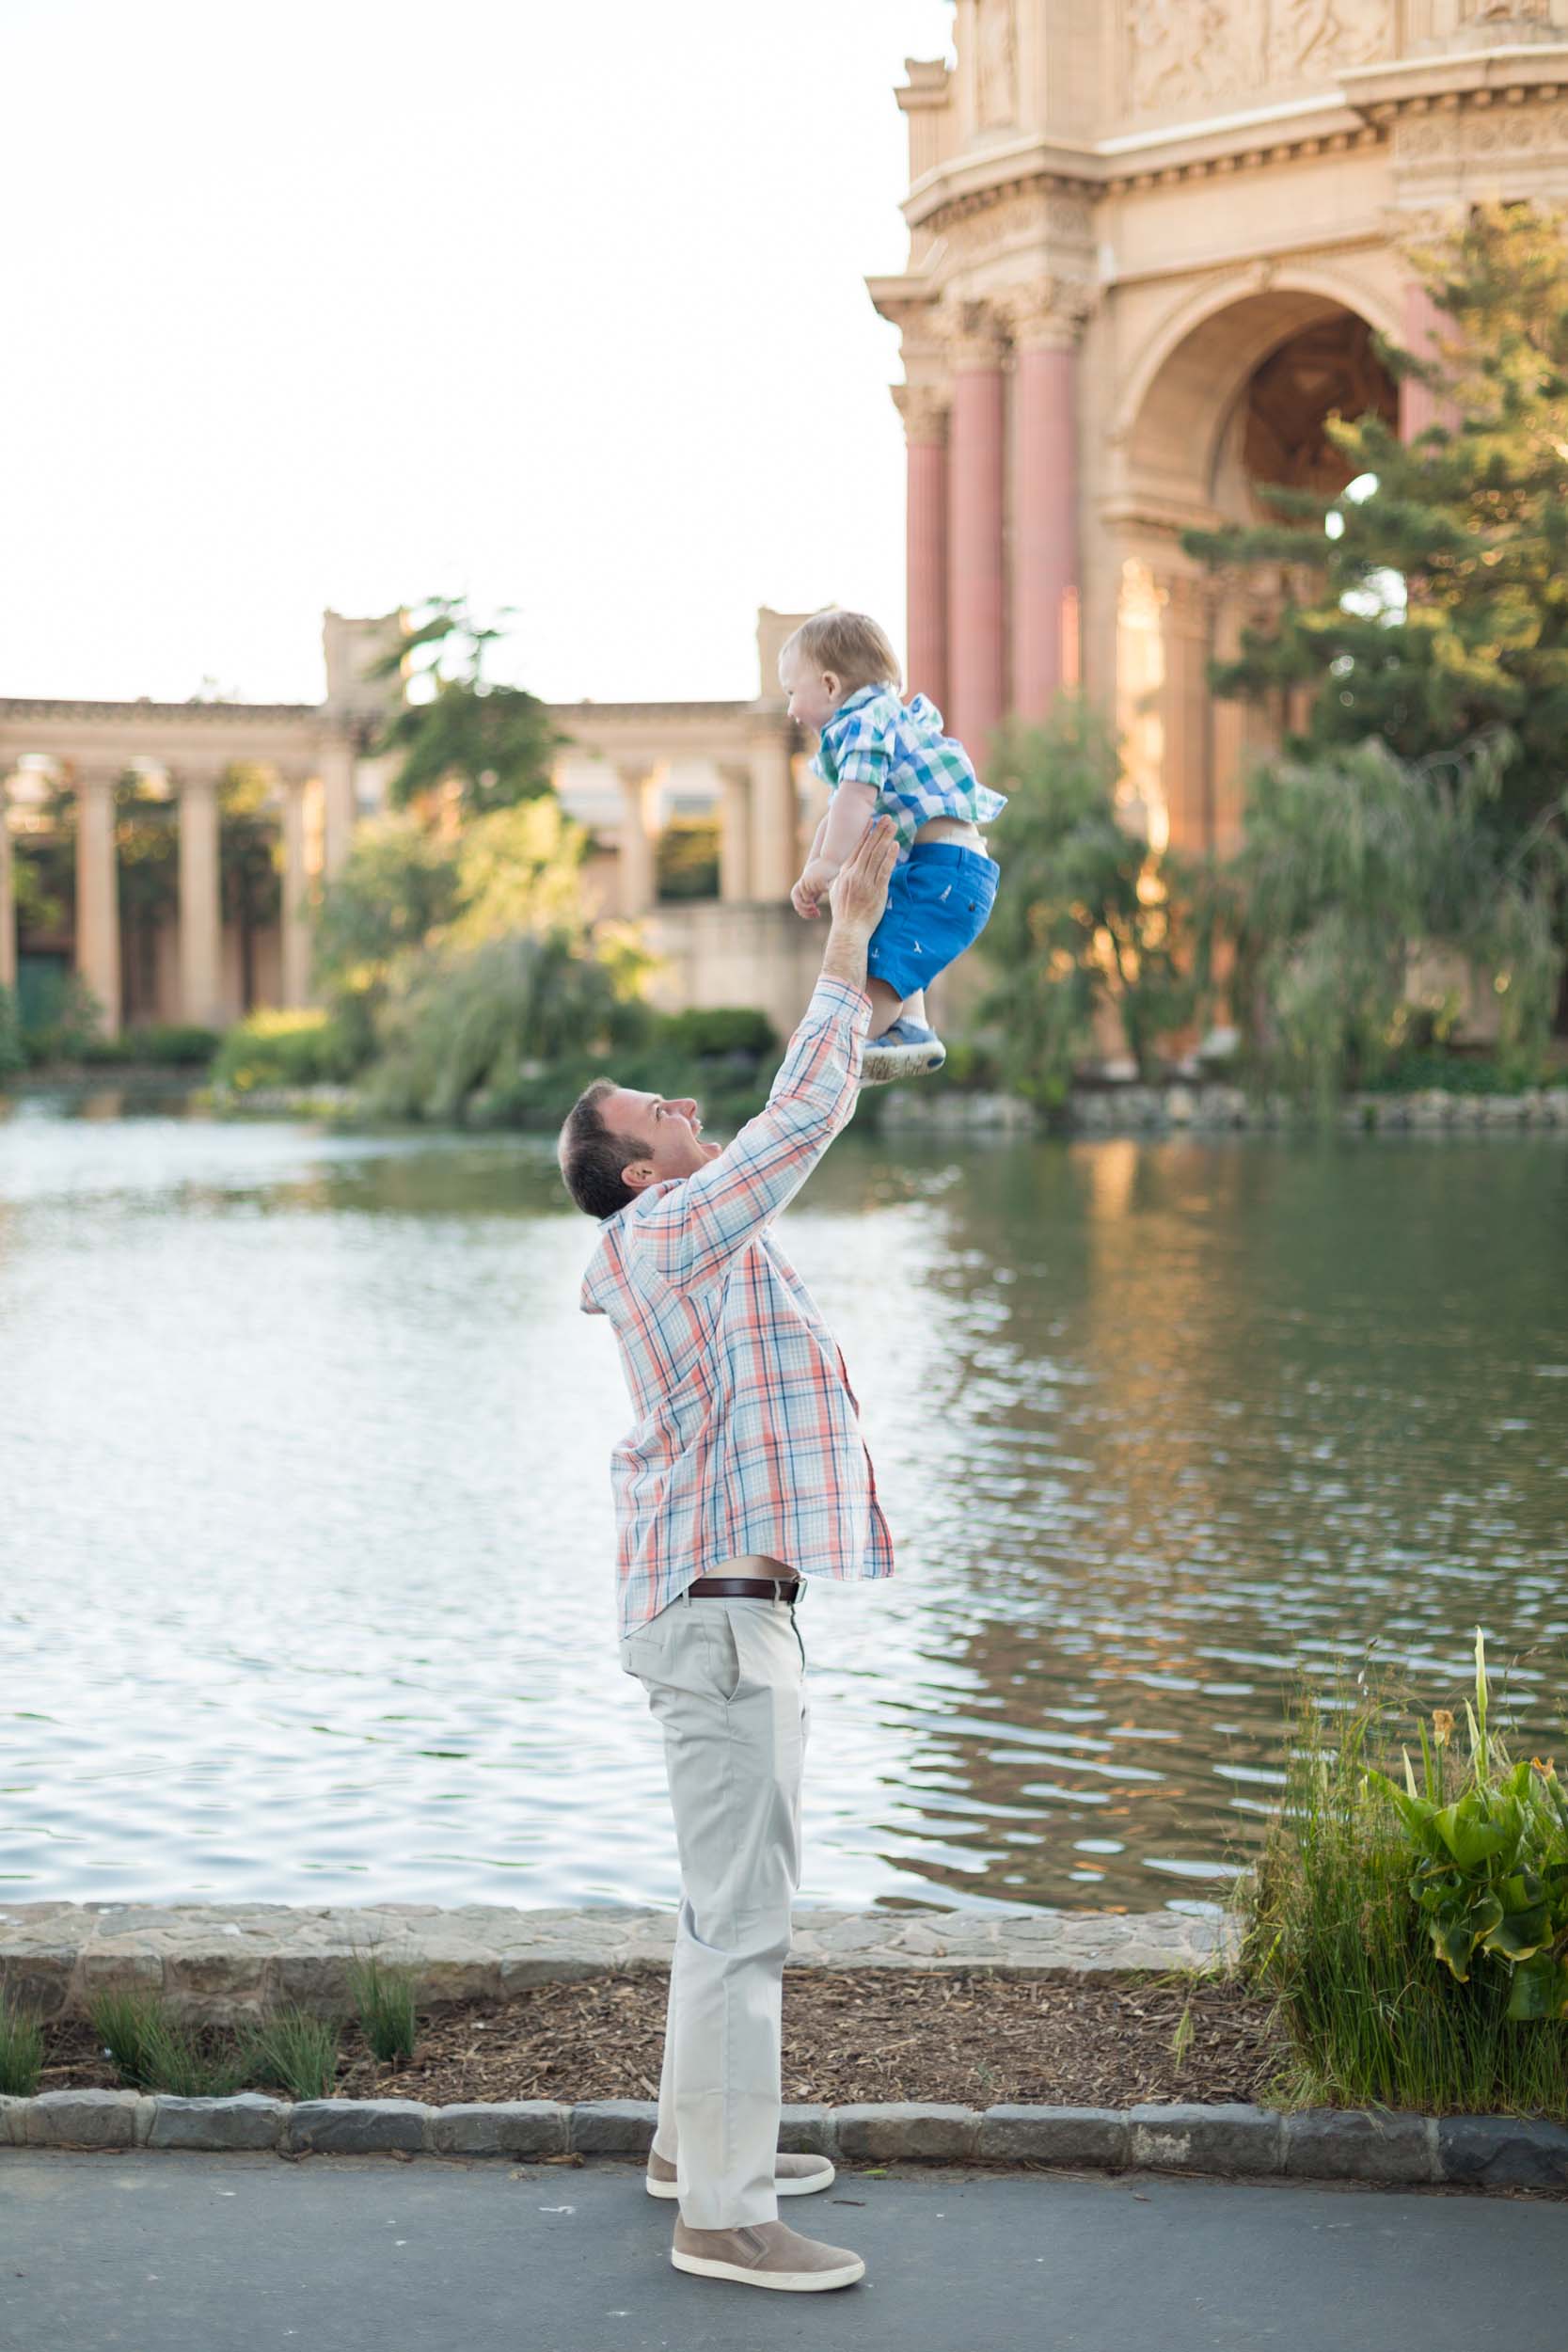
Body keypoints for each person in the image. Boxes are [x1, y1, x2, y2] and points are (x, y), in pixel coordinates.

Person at [556, 817, 903, 2296]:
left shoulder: (686, 1238)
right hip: (717, 1626)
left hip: (725, 1616)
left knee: (721, 1911)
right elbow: (795, 1121)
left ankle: (685, 2153)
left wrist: (870, 978)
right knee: (739, 1925)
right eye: (659, 1109)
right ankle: (724, 2216)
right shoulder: (671, 1237)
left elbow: (809, 1101)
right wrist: (842, 943)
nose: (686, 1103)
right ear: (644, 1174)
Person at [780, 609, 1006, 1086]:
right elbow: (840, 808)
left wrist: (827, 863)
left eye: (791, 692)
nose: (790, 711)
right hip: (947, 872)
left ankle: (845, 1056)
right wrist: (815, 865)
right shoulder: (883, 721)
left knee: (877, 968)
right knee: (890, 941)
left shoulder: (863, 722)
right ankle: (911, 1030)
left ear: (829, 685)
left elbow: (855, 799)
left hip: (944, 874)